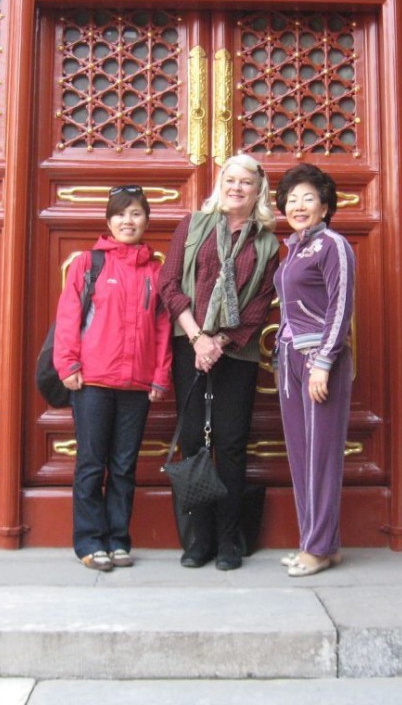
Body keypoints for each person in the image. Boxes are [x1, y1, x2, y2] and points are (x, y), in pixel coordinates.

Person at [158, 154, 279, 571]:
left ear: (258, 190)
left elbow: (260, 306)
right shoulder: (192, 225)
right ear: (220, 184)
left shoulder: (266, 242)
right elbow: (168, 283)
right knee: (193, 441)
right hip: (189, 344)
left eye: (247, 182)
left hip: (237, 351)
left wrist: (220, 341)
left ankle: (229, 540)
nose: (237, 187)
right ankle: (198, 541)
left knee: (230, 442)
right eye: (231, 179)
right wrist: (197, 337)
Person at [53, 185, 172, 571]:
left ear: (146, 221)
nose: (128, 221)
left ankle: (119, 539)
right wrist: (68, 366)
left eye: (136, 214)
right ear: (108, 222)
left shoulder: (156, 271)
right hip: (93, 383)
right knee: (91, 463)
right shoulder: (89, 264)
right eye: (121, 214)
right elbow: (69, 317)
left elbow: (162, 328)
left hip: (136, 385)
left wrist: (159, 376)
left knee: (123, 466)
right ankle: (89, 542)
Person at [274, 163, 355, 577]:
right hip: (288, 358)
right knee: (302, 454)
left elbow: (340, 307)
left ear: (325, 207)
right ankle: (319, 543)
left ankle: (318, 546)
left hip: (318, 361)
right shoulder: (293, 250)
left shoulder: (333, 245)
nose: (298, 205)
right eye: (291, 199)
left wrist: (323, 362)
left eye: (308, 198)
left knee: (321, 455)